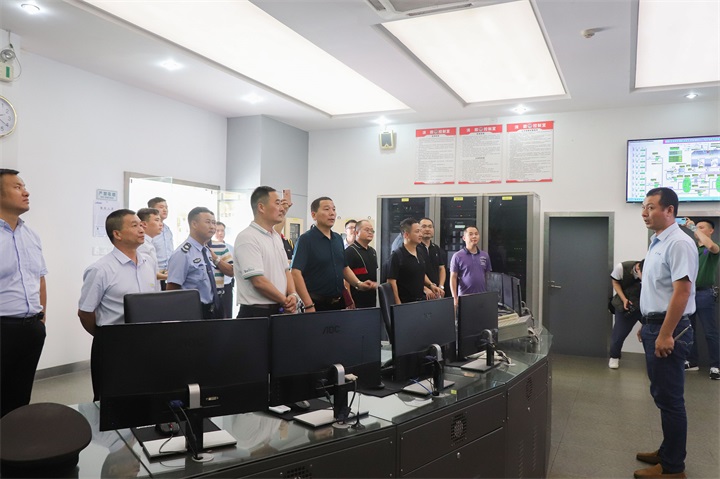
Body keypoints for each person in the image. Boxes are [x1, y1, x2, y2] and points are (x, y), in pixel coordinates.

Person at [635, 187, 697, 479]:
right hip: (655, 324)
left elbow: (682, 292)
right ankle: (667, 450)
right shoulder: (657, 242)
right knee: (662, 394)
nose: (644, 213)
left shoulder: (679, 243)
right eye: (643, 207)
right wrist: (646, 323)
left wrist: (664, 333)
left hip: (669, 328)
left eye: (650, 207)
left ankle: (673, 468)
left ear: (669, 210)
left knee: (670, 399)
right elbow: (657, 290)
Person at [78, 209, 158, 399]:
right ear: (117, 234)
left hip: (147, 342)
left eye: (141, 225)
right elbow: (85, 312)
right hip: (113, 345)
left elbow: (155, 301)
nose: (141, 229)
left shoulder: (149, 263)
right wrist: (106, 337)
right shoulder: (100, 269)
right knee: (110, 400)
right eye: (134, 225)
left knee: (144, 396)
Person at [0, 169, 47, 417]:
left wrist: (41, 320)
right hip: (2, 327)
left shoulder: (31, 235)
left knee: (19, 399)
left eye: (24, 186)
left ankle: (12, 441)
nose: (26, 192)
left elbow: (39, 279)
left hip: (31, 329)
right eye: (17, 187)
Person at [291, 197, 375, 312]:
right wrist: (308, 304)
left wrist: (358, 284)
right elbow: (295, 273)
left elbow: (344, 267)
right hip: (316, 304)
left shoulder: (337, 239)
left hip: (338, 303)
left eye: (334, 209)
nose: (332, 213)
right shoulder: (305, 240)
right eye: (326, 209)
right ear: (314, 215)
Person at [234, 186, 299, 318]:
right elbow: (258, 281)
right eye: (277, 203)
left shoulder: (275, 236)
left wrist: (293, 294)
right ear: (261, 207)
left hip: (278, 308)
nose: (282, 208)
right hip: (256, 314)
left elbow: (286, 270)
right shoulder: (247, 237)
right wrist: (285, 300)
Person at [167, 207, 228, 319]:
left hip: (212, 309)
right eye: (208, 222)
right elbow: (172, 290)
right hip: (193, 312)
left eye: (214, 223)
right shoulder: (182, 254)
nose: (212, 227)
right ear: (194, 224)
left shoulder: (206, 250)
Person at [683, 218, 720, 379]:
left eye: (702, 227)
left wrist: (692, 227)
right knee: (689, 330)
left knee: (710, 332)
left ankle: (716, 366)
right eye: (696, 227)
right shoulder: (692, 248)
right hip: (688, 294)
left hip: (705, 294)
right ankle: (692, 361)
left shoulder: (712, 247)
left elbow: (711, 246)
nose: (697, 229)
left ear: (711, 231)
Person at [388, 218, 443, 304]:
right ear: (406, 235)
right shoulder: (397, 255)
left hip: (420, 301)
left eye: (420, 231)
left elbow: (420, 272)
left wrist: (431, 285)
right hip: (405, 302)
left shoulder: (420, 252)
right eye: (417, 231)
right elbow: (391, 282)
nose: (420, 234)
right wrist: (398, 303)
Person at [608, 260, 644, 369]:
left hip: (643, 304)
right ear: (638, 269)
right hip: (625, 304)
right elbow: (615, 282)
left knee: (651, 331)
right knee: (619, 334)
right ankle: (614, 357)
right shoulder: (622, 268)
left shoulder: (651, 271)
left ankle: (654, 358)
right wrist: (624, 300)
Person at [449, 225, 492, 306]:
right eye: (471, 234)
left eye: (476, 234)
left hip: (482, 297)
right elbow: (453, 277)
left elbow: (488, 276)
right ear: (464, 238)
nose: (474, 236)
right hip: (464, 297)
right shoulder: (457, 256)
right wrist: (454, 298)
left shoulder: (485, 255)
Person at [345, 219, 379, 308]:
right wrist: (349, 300)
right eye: (367, 230)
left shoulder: (373, 251)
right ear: (356, 232)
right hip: (356, 300)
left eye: (372, 231)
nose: (370, 232)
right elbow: (345, 279)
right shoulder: (349, 251)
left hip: (372, 299)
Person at [136, 207, 165, 290]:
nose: (161, 224)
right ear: (144, 224)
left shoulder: (149, 243)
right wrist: (171, 276)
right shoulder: (142, 245)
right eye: (157, 220)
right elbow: (147, 273)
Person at [210, 221, 235, 318]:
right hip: (214, 286)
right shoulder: (208, 247)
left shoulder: (230, 248)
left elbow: (234, 268)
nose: (220, 233)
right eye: (217, 231)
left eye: (222, 231)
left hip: (227, 284)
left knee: (227, 313)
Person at [148, 197, 173, 290]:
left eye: (166, 207)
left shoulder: (167, 229)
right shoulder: (148, 231)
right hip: (154, 274)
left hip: (168, 274)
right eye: (161, 207)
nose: (165, 210)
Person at [418, 217, 447, 296]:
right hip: (422, 292)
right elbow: (417, 272)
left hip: (437, 291)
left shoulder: (436, 248)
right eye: (424, 226)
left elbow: (441, 268)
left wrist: (441, 286)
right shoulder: (415, 248)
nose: (427, 229)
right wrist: (426, 287)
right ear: (418, 230)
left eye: (430, 227)